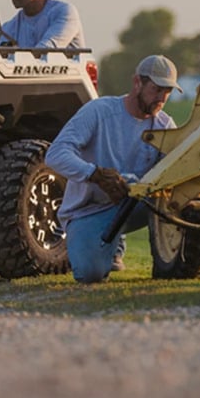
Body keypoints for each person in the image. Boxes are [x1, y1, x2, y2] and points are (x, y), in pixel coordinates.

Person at [45, 55, 181, 283]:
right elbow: (55, 154)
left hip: (136, 205)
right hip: (89, 210)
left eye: (167, 92)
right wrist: (95, 175)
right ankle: (101, 244)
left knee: (180, 199)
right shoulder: (99, 111)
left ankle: (179, 263)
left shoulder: (165, 125)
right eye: (156, 89)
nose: (161, 98)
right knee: (90, 274)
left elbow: (178, 171)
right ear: (137, 82)